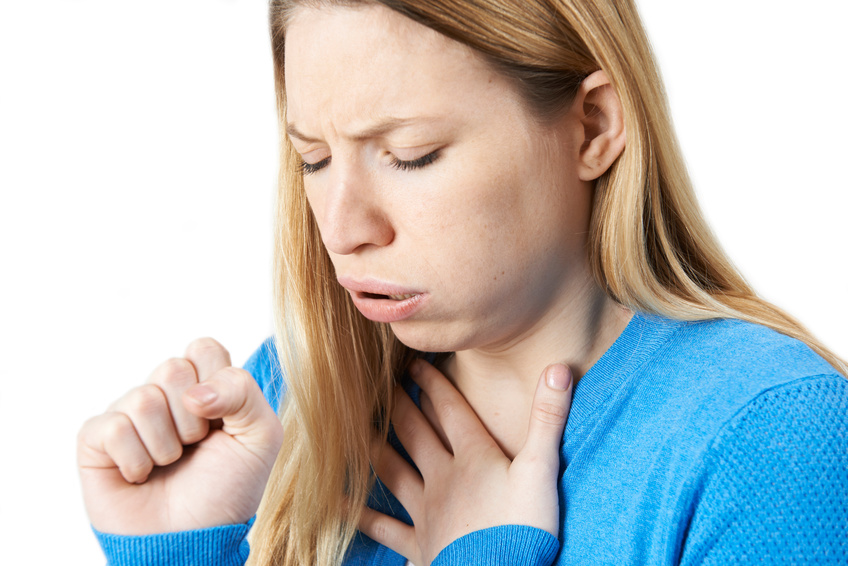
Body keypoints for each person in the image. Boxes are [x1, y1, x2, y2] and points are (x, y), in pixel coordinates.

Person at [77, 1, 848, 565]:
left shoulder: (772, 437)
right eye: (313, 158)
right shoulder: (294, 399)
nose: (343, 228)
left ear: (593, 127)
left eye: (411, 155)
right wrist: (180, 551)